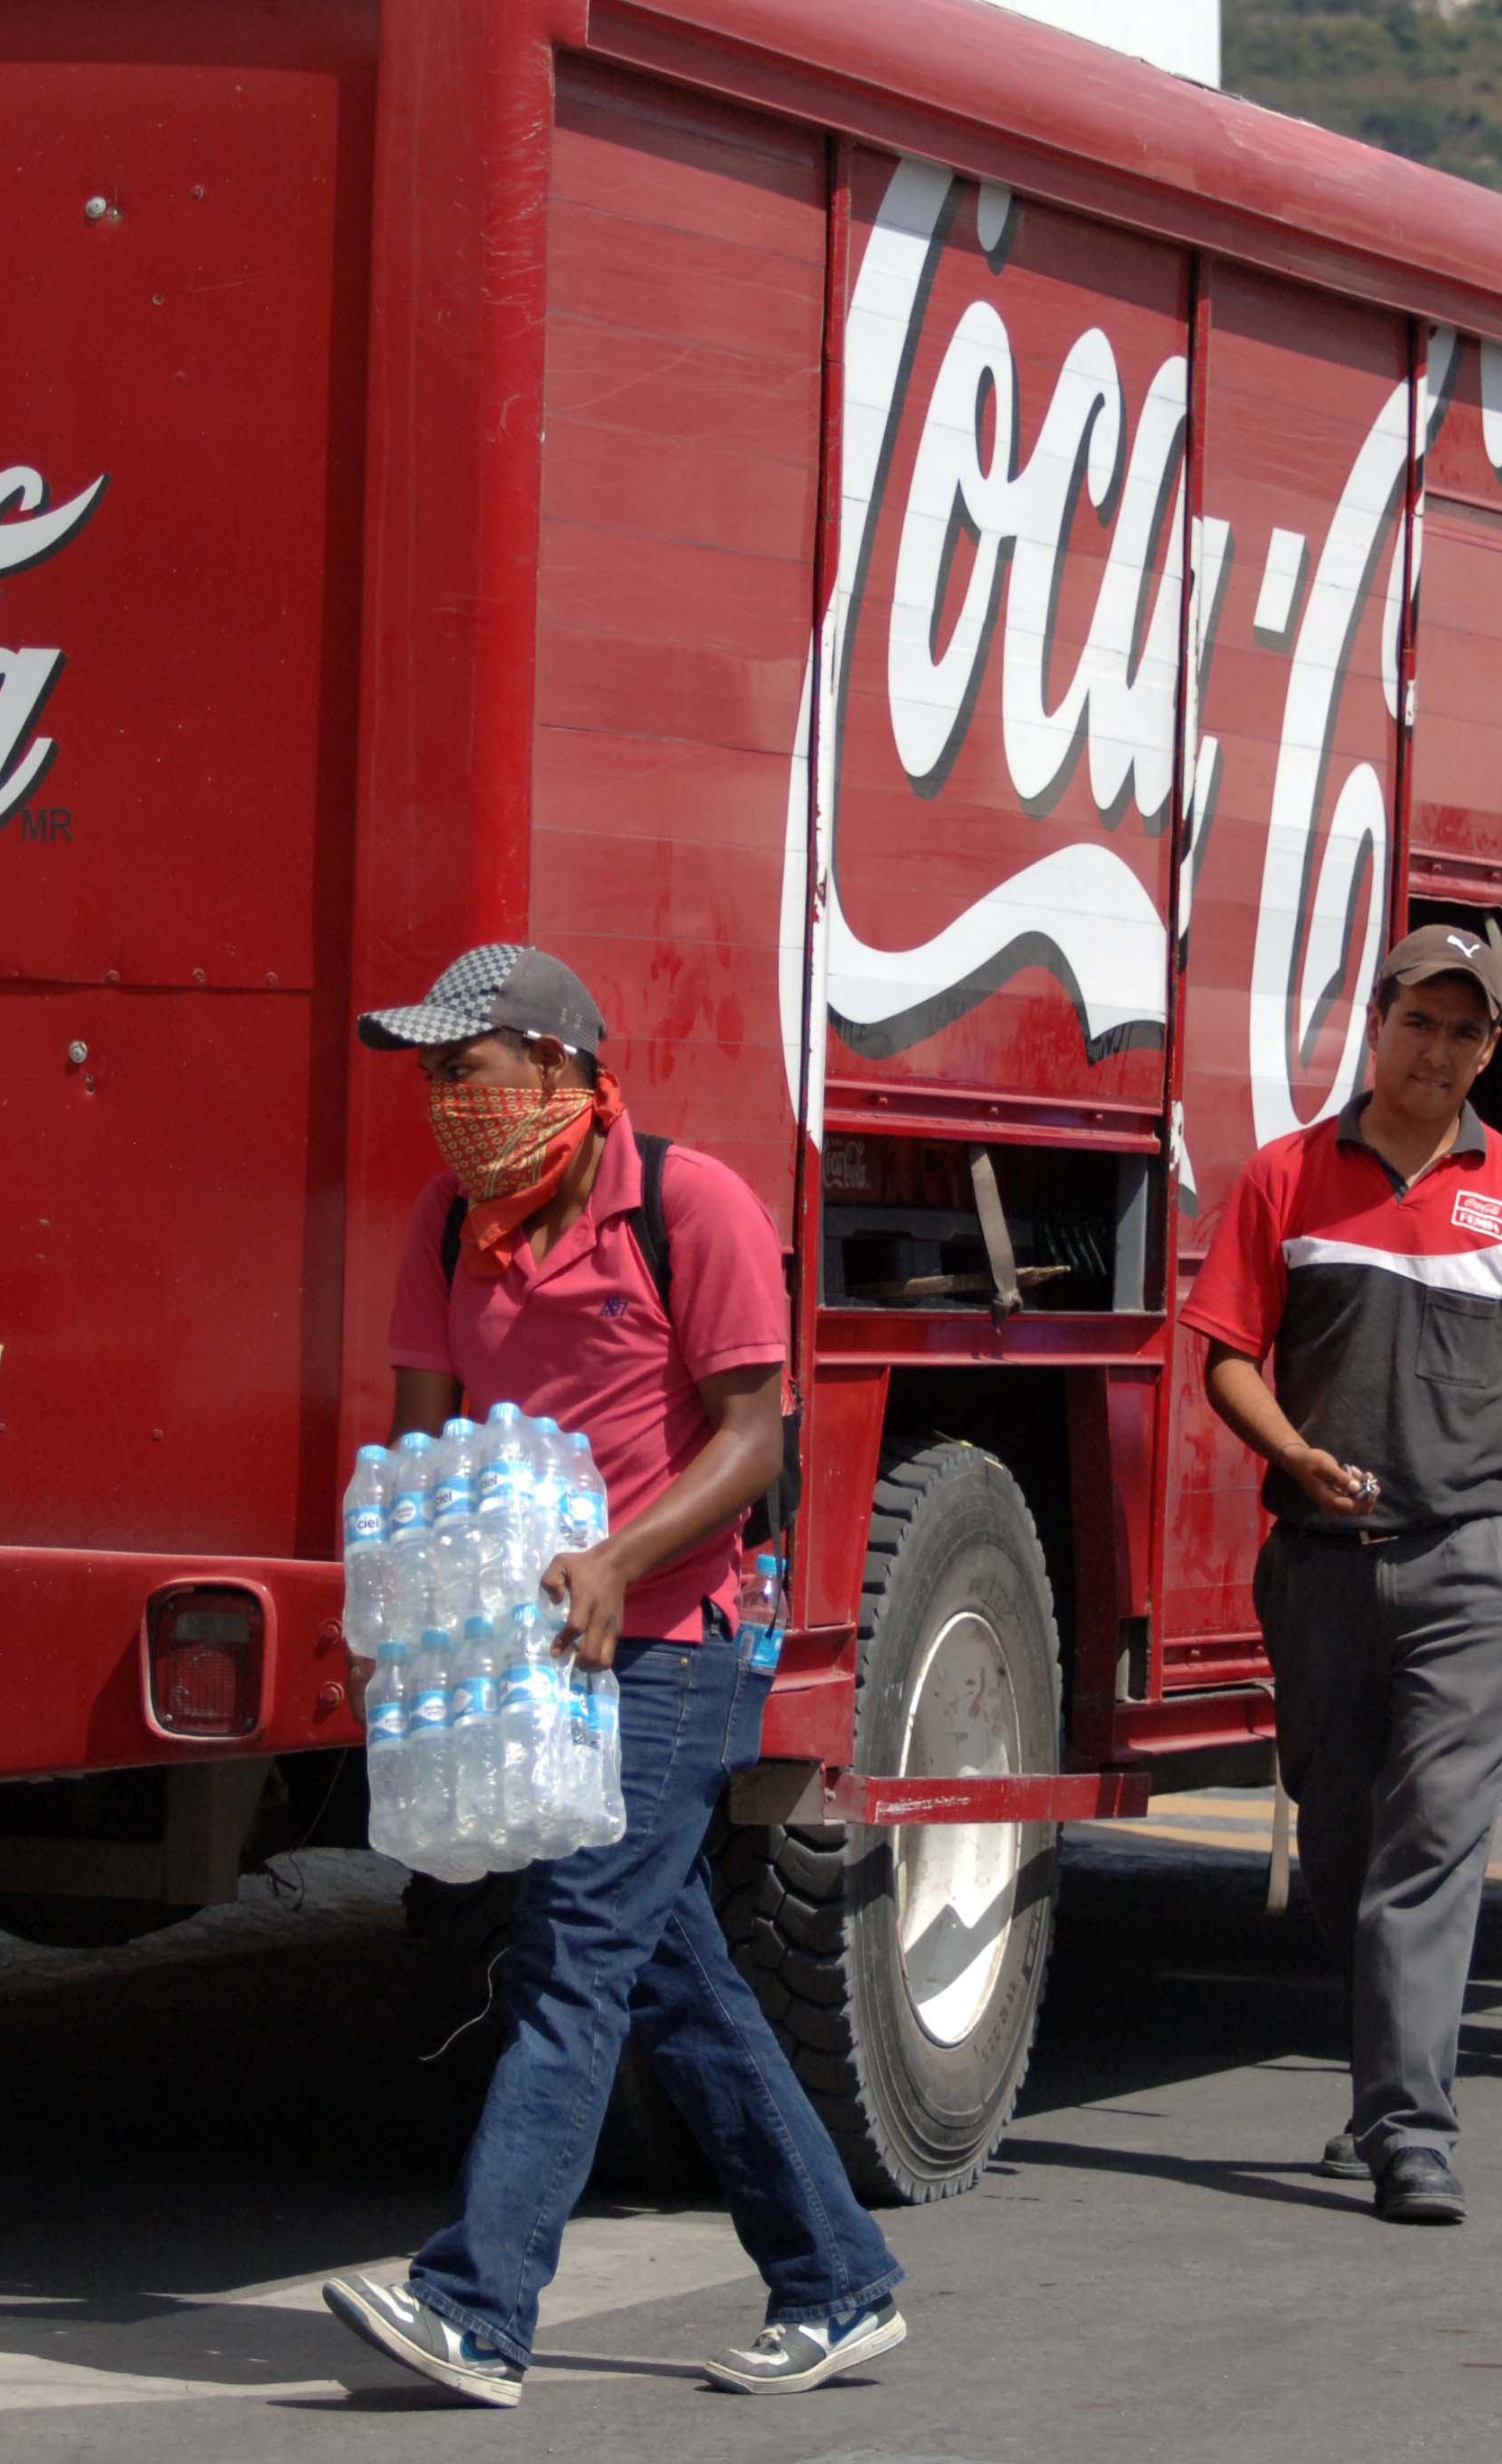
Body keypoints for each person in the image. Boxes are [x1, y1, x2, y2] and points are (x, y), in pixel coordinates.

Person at [318, 944, 905, 2406]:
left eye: (473, 1069)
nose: (449, 1102)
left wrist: (616, 1561)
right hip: (532, 1666)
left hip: (676, 1642)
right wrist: (386, 1616)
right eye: (433, 1076)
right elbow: (421, 1455)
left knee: (575, 1953)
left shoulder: (686, 1202)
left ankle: (477, 2306)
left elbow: (753, 1439)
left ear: (569, 1073)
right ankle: (837, 2282)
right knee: (670, 1974)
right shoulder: (448, 1228)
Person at [1185, 924, 1502, 2226]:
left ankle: (1413, 2131)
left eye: (1465, 1030)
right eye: (1418, 1023)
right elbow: (1226, 1357)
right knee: (1345, 1845)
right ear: (1376, 1029)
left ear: (1492, 1049)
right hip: (1317, 1571)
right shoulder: (1285, 1178)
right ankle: (1386, 2086)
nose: (1439, 1049)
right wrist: (1296, 1456)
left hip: (1471, 1567)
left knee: (1432, 1851)